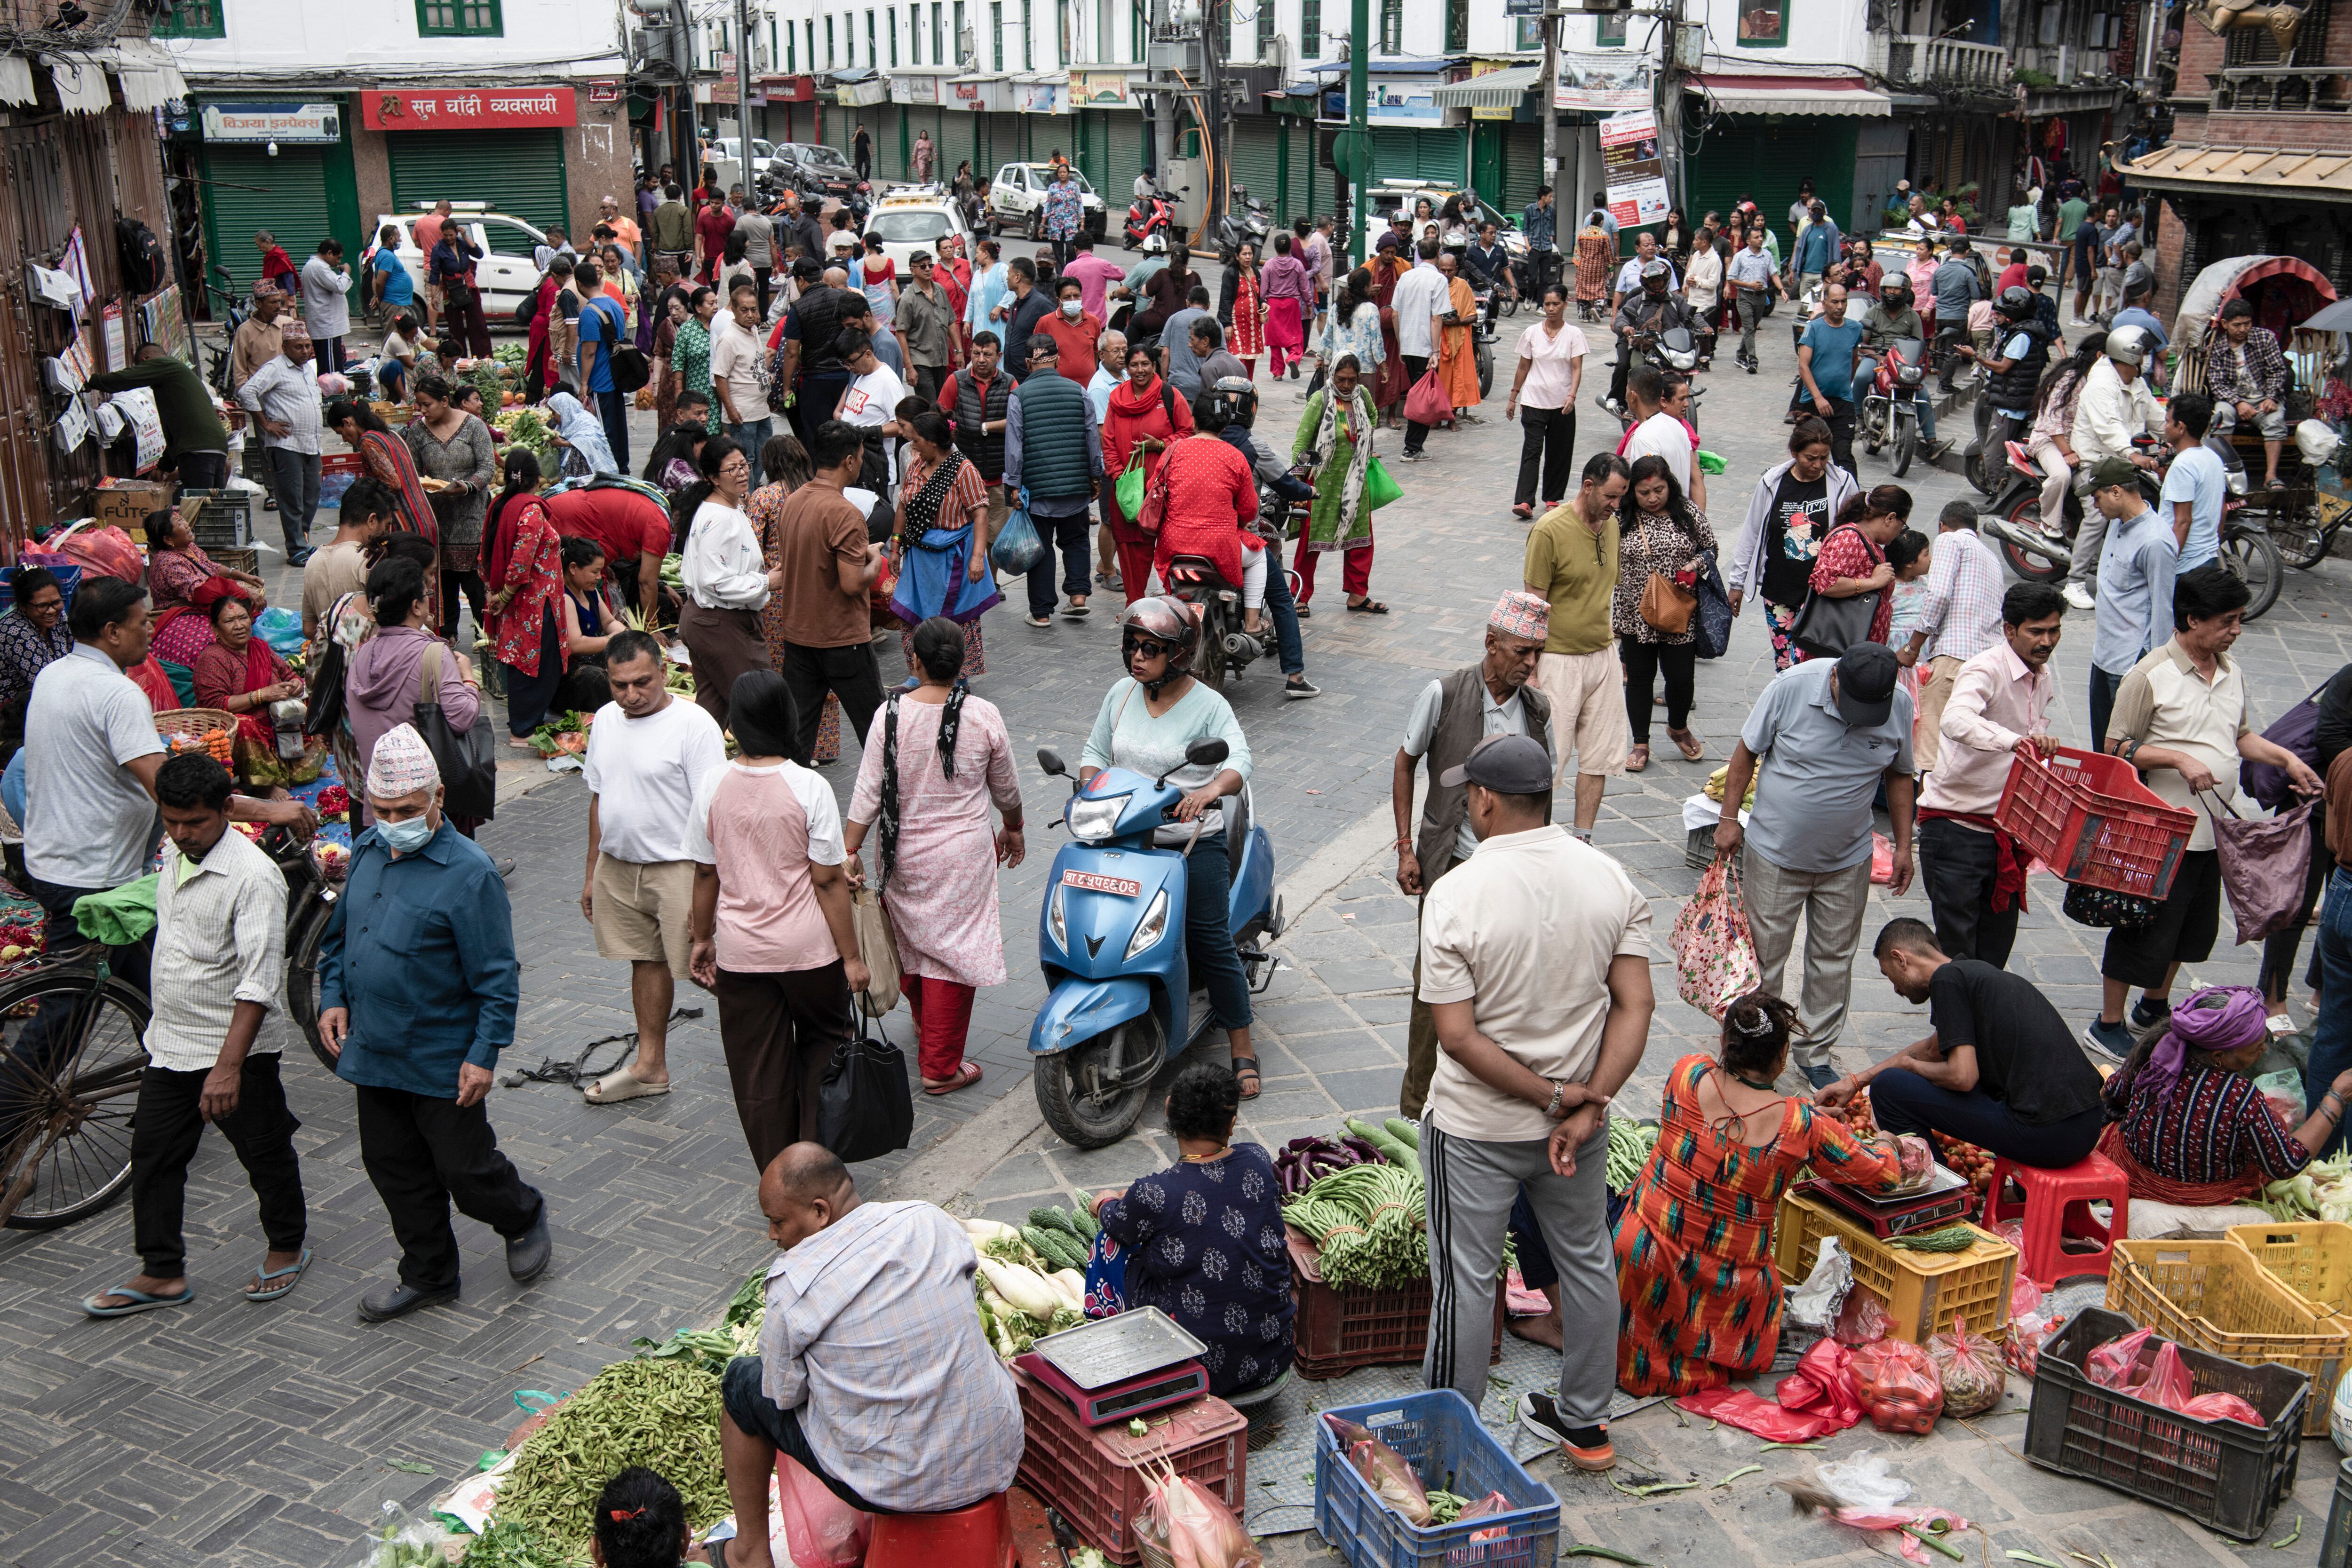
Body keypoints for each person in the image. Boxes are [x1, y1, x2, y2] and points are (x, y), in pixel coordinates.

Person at [1414, 731, 1647, 1469]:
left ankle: (1451, 1441)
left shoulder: (1456, 891)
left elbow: (1456, 1037)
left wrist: (1553, 1095)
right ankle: (1587, 1425)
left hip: (1477, 1128)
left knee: (1466, 1284)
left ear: (1483, 800)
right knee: (1586, 1263)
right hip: (1576, 1133)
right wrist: (1590, 1103)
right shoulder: (1612, 878)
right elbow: (1634, 1006)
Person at [321, 723, 548, 1321]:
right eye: (384, 809)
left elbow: (498, 978)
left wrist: (484, 1053)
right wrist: (332, 995)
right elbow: (340, 940)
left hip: (443, 1056)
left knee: (464, 1168)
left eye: (407, 809)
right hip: (375, 1049)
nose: (394, 820)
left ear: (438, 799)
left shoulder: (469, 874)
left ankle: (521, 1213)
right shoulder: (368, 852)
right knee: (392, 1166)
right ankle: (428, 1273)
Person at [79, 752, 307, 1318]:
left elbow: (259, 982)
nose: (181, 834)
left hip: (236, 1053)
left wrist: (227, 1067)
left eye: (195, 823)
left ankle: (286, 1246)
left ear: (227, 810)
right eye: (171, 821)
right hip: (170, 1044)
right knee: (155, 1157)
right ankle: (162, 1271)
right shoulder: (174, 851)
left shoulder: (254, 878)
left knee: (264, 1152)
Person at [715, 1144, 1021, 1560]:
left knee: (741, 1383)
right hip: (997, 1452)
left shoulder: (791, 1285)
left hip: (893, 1488)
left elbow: (784, 1396)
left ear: (820, 1212)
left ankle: (749, 1550)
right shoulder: (927, 1219)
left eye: (778, 1222)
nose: (773, 1235)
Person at [2090, 565, 2322, 1058]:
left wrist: (2285, 757)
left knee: (2191, 930)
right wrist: (2176, 757)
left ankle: (2153, 1007)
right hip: (2158, 831)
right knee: (2141, 930)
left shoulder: (2230, 671)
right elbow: (2114, 747)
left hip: (2212, 830)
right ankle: (2107, 1022)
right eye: (2227, 621)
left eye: (2237, 620)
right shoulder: (2148, 675)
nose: (2235, 630)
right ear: (2192, 620)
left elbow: (2237, 734)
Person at [1617, 993, 1899, 1394]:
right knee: (1751, 1298)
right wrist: (1888, 1141)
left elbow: (1728, 1124)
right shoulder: (1801, 1126)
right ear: (1783, 1056)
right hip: (1724, 1282)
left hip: (1641, 1257)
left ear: (1725, 1042)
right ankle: (1705, 1350)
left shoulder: (1688, 1073)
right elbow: (1884, 1176)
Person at [1716, 643, 1915, 1089]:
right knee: (1765, 957)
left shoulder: (1897, 705)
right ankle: (1753, 1048)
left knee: (1833, 959)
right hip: (1775, 852)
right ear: (1835, 679)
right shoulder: (1791, 688)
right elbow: (1746, 753)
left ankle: (1815, 1051)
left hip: (1848, 858)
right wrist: (1729, 819)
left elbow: (1900, 775)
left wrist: (1904, 846)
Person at [1080, 598, 1258, 1094]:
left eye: (1150, 649)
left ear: (1177, 654)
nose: (1137, 657)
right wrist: (1088, 784)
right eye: (1132, 646)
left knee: (1208, 936)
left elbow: (1239, 757)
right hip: (1122, 834)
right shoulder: (1120, 694)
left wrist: (1209, 790)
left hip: (1188, 840)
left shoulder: (1209, 705)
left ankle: (1241, 1047)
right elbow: (1094, 752)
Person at [840, 619, 1023, 1097]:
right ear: (962, 661)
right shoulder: (983, 715)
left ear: (913, 660)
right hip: (963, 857)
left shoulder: (891, 714)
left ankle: (927, 1023)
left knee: (915, 939)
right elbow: (1006, 788)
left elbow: (868, 792)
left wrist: (849, 848)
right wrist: (1014, 828)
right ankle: (940, 1066)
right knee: (954, 953)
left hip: (903, 853)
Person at [1396, 595, 1556, 1114]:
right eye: (1521, 651)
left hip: (1515, 872)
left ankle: (1489, 1092)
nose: (1530, 664)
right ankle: (1417, 1103)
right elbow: (1405, 763)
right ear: (1491, 644)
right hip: (1451, 865)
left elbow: (1544, 788)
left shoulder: (1536, 709)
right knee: (1434, 990)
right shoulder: (1444, 694)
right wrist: (1405, 847)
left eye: (1538, 654)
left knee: (1505, 985)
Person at [577, 628, 728, 1108]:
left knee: (717, 969)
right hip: (620, 867)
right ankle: (650, 1066)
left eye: (642, 682)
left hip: (681, 868)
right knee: (645, 960)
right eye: (620, 685)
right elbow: (599, 798)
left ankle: (792, 1044)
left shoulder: (694, 724)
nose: (631, 695)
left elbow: (714, 812)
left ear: (664, 672)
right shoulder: (604, 720)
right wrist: (590, 873)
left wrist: (714, 889)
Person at [1818, 919, 2106, 1168]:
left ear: (1900, 959)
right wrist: (1854, 1082)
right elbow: (1932, 1049)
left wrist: (1910, 1068)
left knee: (1890, 1088)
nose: (1895, 988)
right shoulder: (1973, 974)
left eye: (1888, 974)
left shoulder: (1946, 980)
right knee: (1903, 1078)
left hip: (2048, 1136)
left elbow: (1962, 1077)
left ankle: (1944, 1200)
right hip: (2086, 1127)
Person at [1085, 1061, 1293, 1394]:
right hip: (1272, 1357)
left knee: (1107, 1246)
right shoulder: (1256, 1158)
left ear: (1168, 1111)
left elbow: (1118, 1224)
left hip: (1197, 1369)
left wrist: (1105, 1203)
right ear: (1232, 1124)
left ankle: (1118, 1356)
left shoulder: (1155, 1193)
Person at [2100, 985, 2349, 1235]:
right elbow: (2285, 1164)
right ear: (2219, 1055)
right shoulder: (2239, 1096)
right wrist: (2336, 1096)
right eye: (2255, 1048)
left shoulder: (2156, 1056)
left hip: (2131, 1174)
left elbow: (2112, 1094)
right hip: (2200, 1197)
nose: (2264, 1050)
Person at [1912, 580, 2064, 970]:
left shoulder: (2043, 676)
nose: (2046, 641)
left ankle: (1980, 1027)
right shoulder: (1984, 668)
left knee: (1994, 954)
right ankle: (1955, 1030)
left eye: (2054, 630)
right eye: (2036, 631)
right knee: (1959, 954)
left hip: (2004, 831)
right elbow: (1956, 719)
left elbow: (2030, 739)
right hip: (1955, 830)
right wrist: (2014, 742)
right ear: (2010, 630)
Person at [771, 421, 889, 760]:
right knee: (876, 733)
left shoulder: (792, 503)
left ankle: (792, 803)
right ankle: (893, 802)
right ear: (850, 461)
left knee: (797, 734)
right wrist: (875, 561)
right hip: (843, 640)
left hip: (798, 636)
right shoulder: (845, 513)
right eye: (862, 458)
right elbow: (851, 583)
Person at [344, 557, 482, 829]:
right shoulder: (433, 654)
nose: (430, 600)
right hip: (424, 803)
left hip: (381, 801)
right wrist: (469, 679)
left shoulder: (359, 656)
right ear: (416, 606)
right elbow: (462, 718)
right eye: (427, 594)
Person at [1613, 455, 1715, 773]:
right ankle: (1640, 743)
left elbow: (1710, 548)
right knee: (1640, 680)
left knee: (1682, 678)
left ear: (1669, 485)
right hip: (1634, 611)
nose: (1653, 498)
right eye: (1645, 493)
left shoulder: (1687, 512)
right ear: (1633, 492)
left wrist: (1694, 566)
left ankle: (1678, 726)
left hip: (1677, 610)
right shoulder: (1621, 517)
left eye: (1659, 490)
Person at [677, 436, 787, 730]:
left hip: (709, 622)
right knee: (759, 705)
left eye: (744, 466)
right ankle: (766, 767)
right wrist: (766, 583)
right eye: (732, 469)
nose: (742, 473)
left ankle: (693, 767)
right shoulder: (719, 517)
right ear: (712, 478)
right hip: (721, 624)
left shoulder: (728, 507)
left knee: (713, 708)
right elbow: (714, 581)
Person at [2062, 326, 2166, 610]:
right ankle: (2074, 582)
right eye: (2142, 354)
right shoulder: (2101, 384)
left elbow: (2156, 416)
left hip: (2121, 464)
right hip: (2094, 464)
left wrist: (2175, 435)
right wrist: (2133, 454)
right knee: (2098, 515)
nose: (2145, 359)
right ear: (2129, 355)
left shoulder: (2136, 382)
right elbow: (2109, 428)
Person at [1151, 386, 1267, 638]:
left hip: (1174, 543)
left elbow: (1154, 489)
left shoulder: (1173, 451)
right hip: (1219, 547)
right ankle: (1252, 623)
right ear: (1225, 424)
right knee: (1259, 556)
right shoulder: (1235, 457)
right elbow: (1249, 510)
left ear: (1194, 420)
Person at [1900, 498, 2005, 772]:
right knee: (1965, 757)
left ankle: (1923, 816)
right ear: (1977, 532)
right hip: (1989, 666)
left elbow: (1940, 594)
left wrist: (1912, 649)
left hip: (1953, 662)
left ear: (1941, 527)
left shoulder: (1950, 540)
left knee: (1933, 758)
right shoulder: (1991, 557)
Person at [2086, 454, 2178, 750]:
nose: (2095, 505)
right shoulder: (2116, 522)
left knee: (2124, 751)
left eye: (2098, 497)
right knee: (2101, 746)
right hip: (2104, 655)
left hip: (2131, 662)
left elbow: (2164, 607)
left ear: (2117, 492)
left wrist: (2156, 669)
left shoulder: (2156, 541)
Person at [1006, 348, 1100, 627]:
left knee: (1041, 549)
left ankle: (1042, 613)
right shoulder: (1079, 391)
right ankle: (1079, 596)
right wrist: (1095, 475)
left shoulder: (1019, 396)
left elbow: (1015, 447)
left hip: (1037, 491)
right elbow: (1092, 436)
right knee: (1076, 541)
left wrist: (1013, 484)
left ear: (1027, 362)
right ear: (1058, 359)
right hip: (1075, 487)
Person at [477, 450, 564, 742]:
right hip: (534, 603)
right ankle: (523, 728)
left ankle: (527, 720)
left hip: (520, 603)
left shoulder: (500, 505)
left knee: (521, 660)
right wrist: (503, 595)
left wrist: (494, 591)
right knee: (536, 662)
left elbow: (485, 552)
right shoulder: (531, 511)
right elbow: (520, 563)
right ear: (536, 477)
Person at [404, 373, 497, 641]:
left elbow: (487, 467)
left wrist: (467, 486)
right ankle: (447, 635)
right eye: (419, 404)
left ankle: (487, 634)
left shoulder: (474, 426)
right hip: (437, 518)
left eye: (426, 404)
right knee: (441, 582)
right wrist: (424, 487)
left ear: (445, 401)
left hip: (472, 515)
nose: (421, 410)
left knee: (475, 583)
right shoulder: (418, 431)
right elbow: (413, 471)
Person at [1291, 354, 1383, 618]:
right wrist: (1297, 484)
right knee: (1311, 543)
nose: (1346, 386)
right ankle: (1299, 594)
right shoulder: (1319, 400)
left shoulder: (1362, 395)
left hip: (1355, 482)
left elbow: (1373, 419)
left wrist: (1362, 445)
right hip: (1322, 484)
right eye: (1341, 380)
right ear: (1332, 375)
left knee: (1361, 540)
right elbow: (1301, 444)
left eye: (1352, 380)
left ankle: (1358, 595)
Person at [1100, 344, 1194, 603]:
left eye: (1145, 365)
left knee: (1169, 546)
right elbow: (1108, 442)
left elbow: (1187, 434)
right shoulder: (1117, 399)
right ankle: (1135, 605)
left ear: (1155, 366)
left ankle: (1171, 605)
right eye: (1134, 365)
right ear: (1126, 368)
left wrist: (1160, 445)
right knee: (1129, 549)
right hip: (1128, 490)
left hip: (1164, 489)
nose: (1140, 370)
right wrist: (1119, 477)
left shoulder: (1171, 396)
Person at [86, 344, 231, 491]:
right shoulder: (177, 374)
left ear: (146, 360)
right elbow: (176, 436)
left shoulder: (165, 365)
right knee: (212, 507)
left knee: (198, 506)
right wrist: (162, 468)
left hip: (198, 451)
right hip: (215, 446)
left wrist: (91, 381)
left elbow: (126, 378)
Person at [237, 323, 324, 564]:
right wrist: (266, 424)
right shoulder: (275, 368)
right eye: (299, 347)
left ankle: (303, 540)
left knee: (312, 495)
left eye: (308, 346)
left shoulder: (308, 368)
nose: (305, 351)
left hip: (311, 443)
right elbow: (247, 393)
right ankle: (295, 548)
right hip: (286, 445)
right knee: (292, 498)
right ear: (285, 347)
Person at [191, 592, 302, 767]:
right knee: (244, 724)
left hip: (276, 719)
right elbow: (215, 705)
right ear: (215, 628)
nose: (239, 626)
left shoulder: (260, 647)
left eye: (243, 618)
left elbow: (288, 674)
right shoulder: (212, 658)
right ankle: (266, 782)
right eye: (229, 621)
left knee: (306, 701)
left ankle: (299, 764)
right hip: (238, 731)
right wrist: (262, 695)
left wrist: (296, 684)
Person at [549, 482, 674, 621]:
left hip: (569, 508)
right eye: (595, 571)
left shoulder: (654, 509)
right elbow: (646, 582)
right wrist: (652, 626)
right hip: (569, 515)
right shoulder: (659, 524)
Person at [0, 566, 71, 767]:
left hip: (48, 696)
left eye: (56, 602)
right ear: (23, 607)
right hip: (14, 713)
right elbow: (45, 683)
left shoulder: (59, 617)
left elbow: (75, 654)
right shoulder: (15, 632)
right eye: (42, 606)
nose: (51, 610)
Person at [1795, 283, 1866, 474]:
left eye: (1844, 302)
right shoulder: (1814, 329)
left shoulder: (1855, 328)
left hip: (1843, 402)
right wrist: (1818, 398)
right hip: (1813, 402)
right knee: (1811, 458)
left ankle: (1851, 500)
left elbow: (1854, 360)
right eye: (1835, 302)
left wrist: (1844, 386)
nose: (1840, 307)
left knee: (1844, 456)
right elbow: (1804, 366)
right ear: (1824, 303)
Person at [1392, 240, 1452, 461]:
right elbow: (1437, 317)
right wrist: (1435, 351)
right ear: (1438, 253)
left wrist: (1400, 344)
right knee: (1423, 397)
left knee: (1419, 393)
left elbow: (1395, 313)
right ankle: (1412, 447)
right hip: (1426, 347)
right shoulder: (1438, 279)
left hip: (1408, 344)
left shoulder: (1406, 276)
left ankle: (1414, 445)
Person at [2161, 392, 2228, 572]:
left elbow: (2183, 521)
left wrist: (2167, 566)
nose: (2164, 426)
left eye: (2168, 421)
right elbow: (2222, 510)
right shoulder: (2214, 458)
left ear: (2181, 427)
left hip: (2184, 565)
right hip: (2208, 557)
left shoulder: (2183, 465)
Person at [895, 251, 956, 406]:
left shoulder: (940, 290)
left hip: (941, 359)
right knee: (931, 406)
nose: (928, 269)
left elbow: (950, 321)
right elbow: (901, 335)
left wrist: (959, 351)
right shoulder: (907, 299)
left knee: (944, 403)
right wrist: (909, 368)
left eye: (931, 265)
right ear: (913, 270)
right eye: (923, 266)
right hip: (921, 361)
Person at [431, 219, 492, 359]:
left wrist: (465, 236)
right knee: (455, 329)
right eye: (446, 235)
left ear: (456, 233)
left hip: (468, 287)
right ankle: (458, 359)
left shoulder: (463, 244)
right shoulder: (438, 249)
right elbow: (434, 274)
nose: (449, 238)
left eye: (452, 235)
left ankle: (483, 358)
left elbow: (479, 254)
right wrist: (434, 297)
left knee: (478, 324)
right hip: (451, 290)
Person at [297, 238, 353, 372]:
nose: (339, 262)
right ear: (329, 254)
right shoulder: (318, 267)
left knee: (330, 367)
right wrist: (347, 272)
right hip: (327, 327)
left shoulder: (317, 267)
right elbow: (340, 286)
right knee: (331, 372)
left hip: (327, 326)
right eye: (338, 258)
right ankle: (332, 393)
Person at [1037, 276, 1104, 388]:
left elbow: (1096, 352)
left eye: (1076, 296)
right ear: (1059, 300)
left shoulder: (1094, 322)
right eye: (1067, 297)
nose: (1073, 301)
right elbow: (1037, 357)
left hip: (1088, 387)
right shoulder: (1045, 323)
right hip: (1057, 388)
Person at [544, 389, 620, 480]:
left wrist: (563, 444)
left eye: (554, 413)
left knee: (579, 451)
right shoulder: (563, 425)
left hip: (592, 468)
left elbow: (588, 441)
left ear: (564, 410)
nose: (553, 416)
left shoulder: (586, 419)